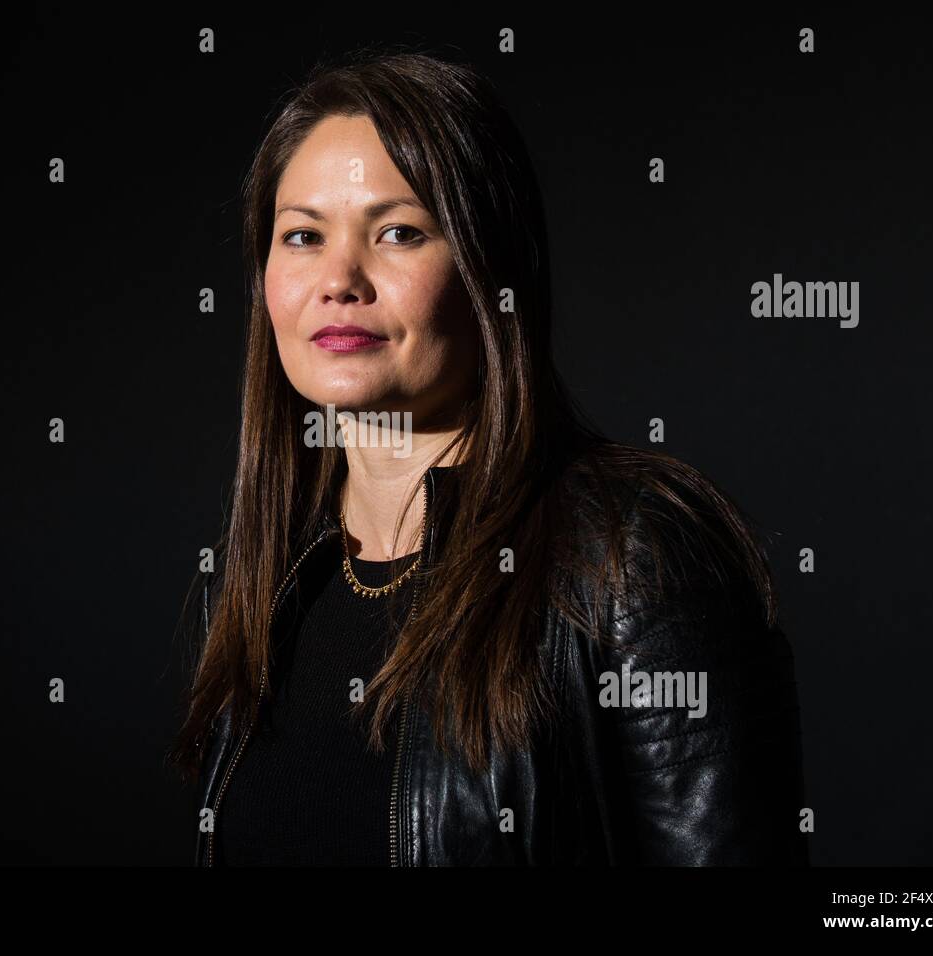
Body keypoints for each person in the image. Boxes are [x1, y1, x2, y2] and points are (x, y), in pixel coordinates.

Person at [167, 47, 808, 866]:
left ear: (487, 265)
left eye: (399, 231)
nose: (339, 279)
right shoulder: (273, 582)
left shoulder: (632, 554)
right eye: (302, 236)